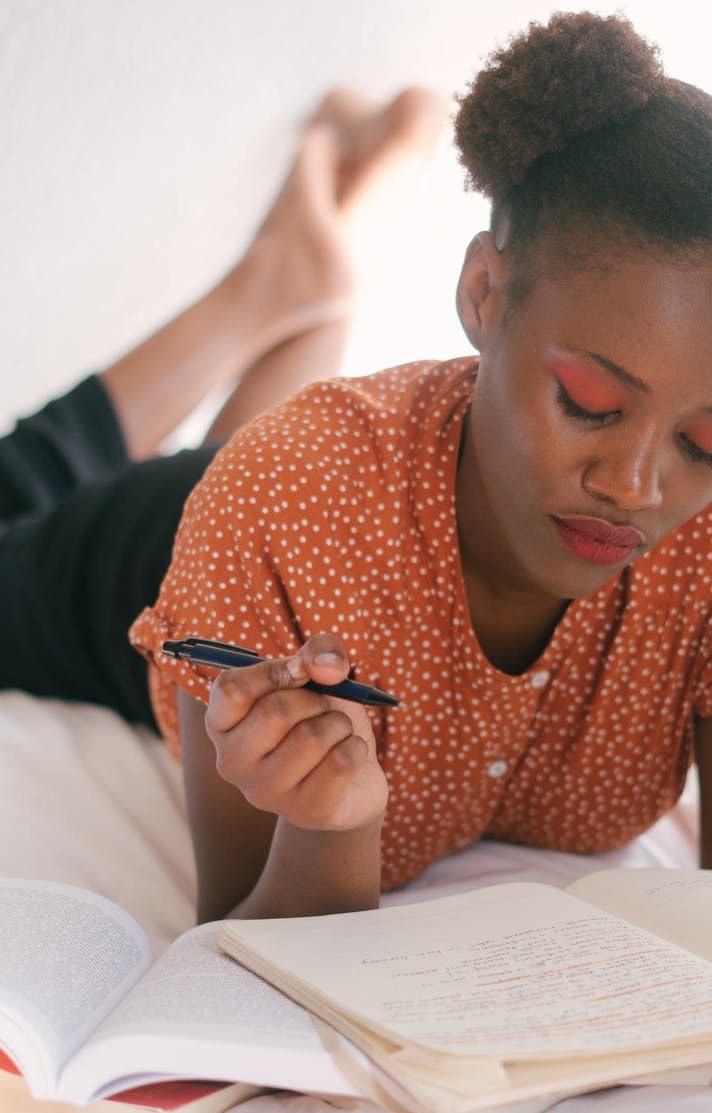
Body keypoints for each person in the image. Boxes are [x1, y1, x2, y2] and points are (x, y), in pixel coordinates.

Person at [62, 13, 712, 923]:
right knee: (30, 485)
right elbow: (243, 943)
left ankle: (302, 276)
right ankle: (268, 288)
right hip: (143, 547)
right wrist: (328, 832)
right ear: (483, 293)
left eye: (703, 444)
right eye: (589, 405)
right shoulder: (282, 499)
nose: (634, 486)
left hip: (295, 472)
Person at [0, 87, 447, 727]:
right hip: (229, 558)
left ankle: (304, 252)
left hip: (231, 554)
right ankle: (289, 259)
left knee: (66, 492)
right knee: (201, 494)